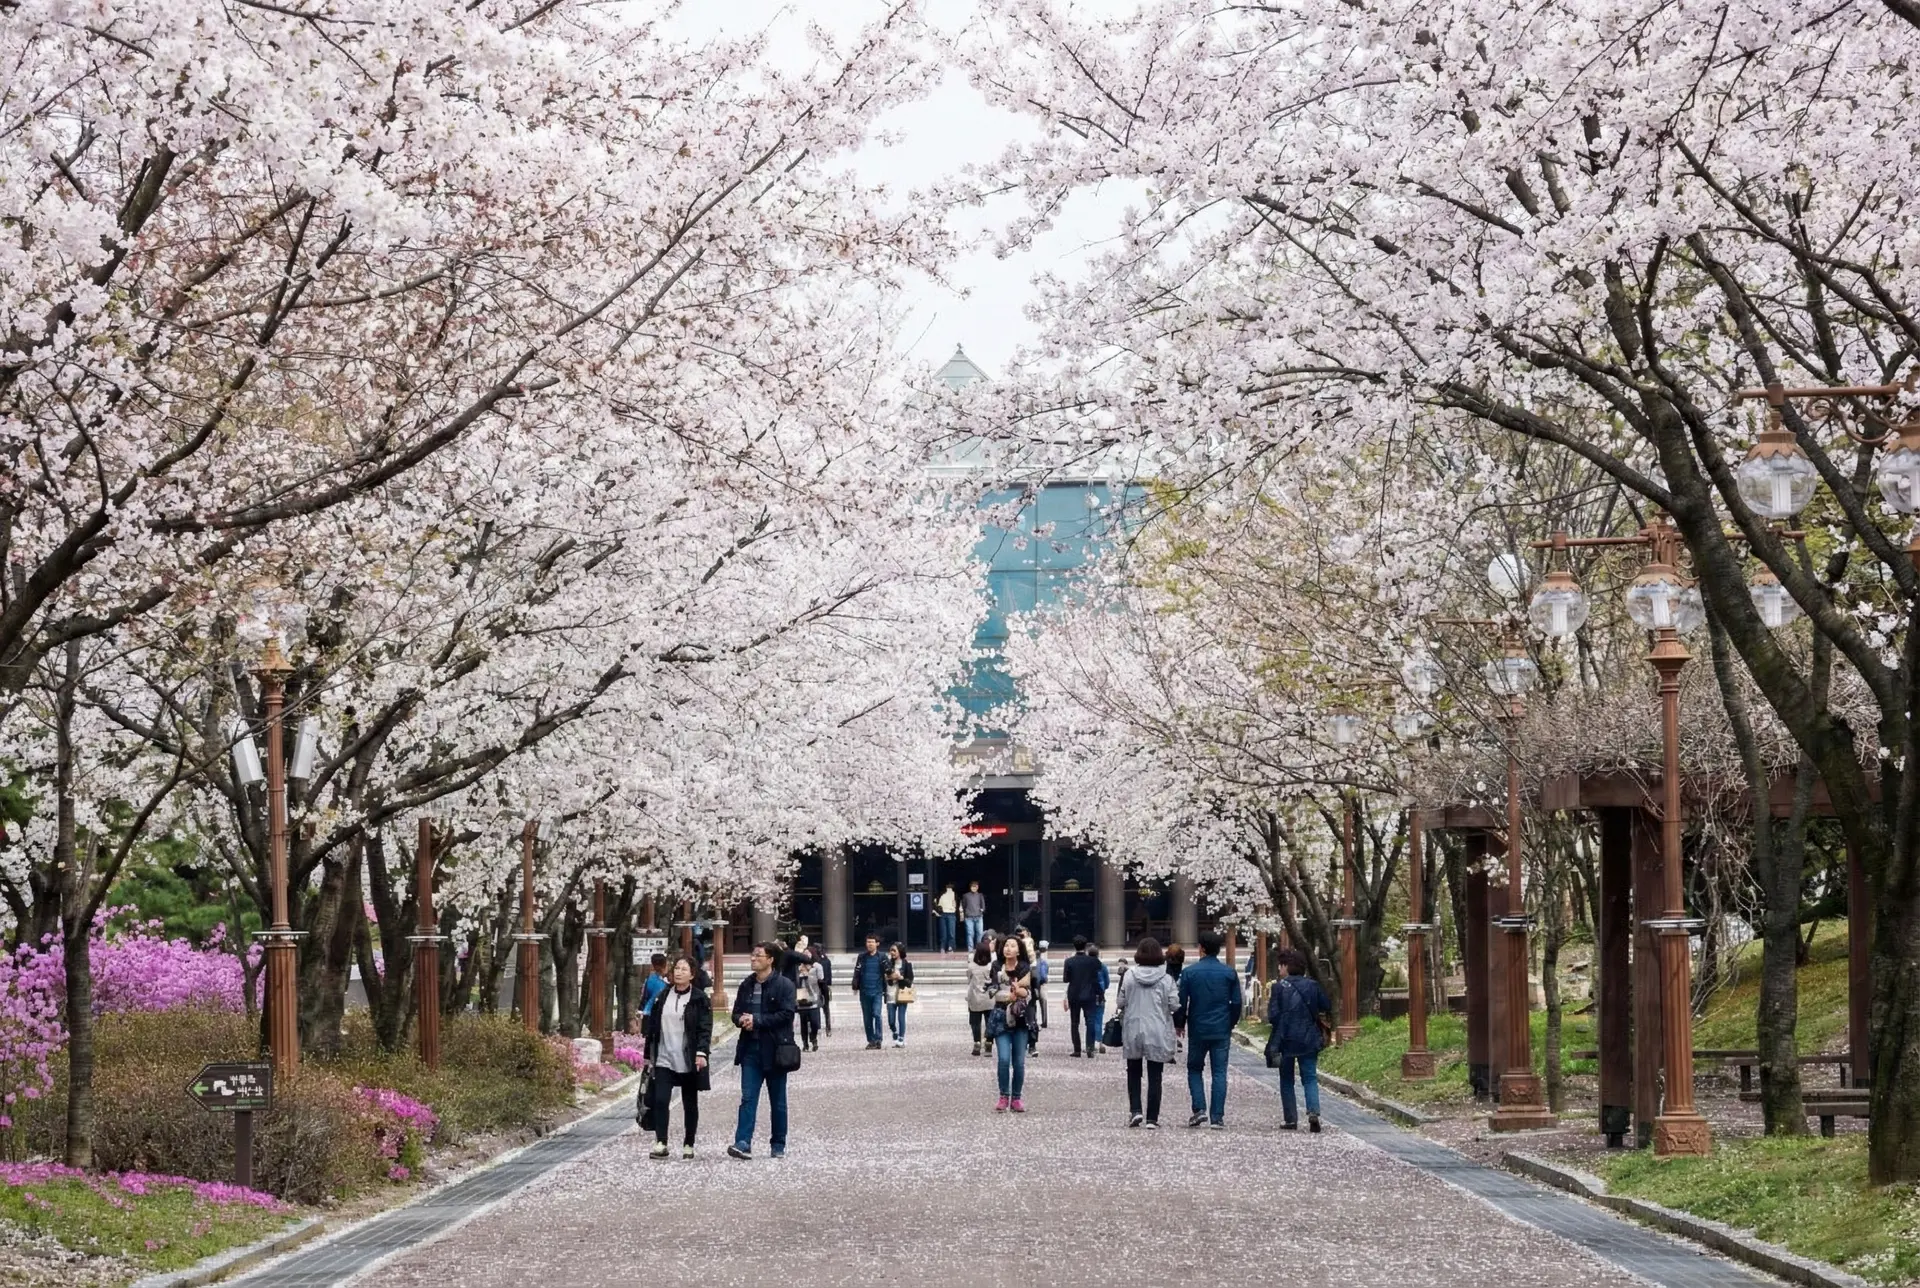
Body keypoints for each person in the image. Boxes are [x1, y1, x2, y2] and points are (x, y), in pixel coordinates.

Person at [728, 941, 798, 1161]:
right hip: (750, 1049)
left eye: (758, 955)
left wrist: (757, 1020)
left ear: (770, 959)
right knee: (748, 1098)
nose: (753, 959)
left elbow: (787, 1014)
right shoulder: (746, 985)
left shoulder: (784, 985)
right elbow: (735, 1013)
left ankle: (778, 1143)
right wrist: (742, 1020)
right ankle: (742, 1142)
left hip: (776, 1049)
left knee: (778, 1101)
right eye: (752, 955)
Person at [640, 956, 710, 1158]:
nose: (679, 972)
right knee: (661, 1100)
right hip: (664, 1057)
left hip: (688, 1058)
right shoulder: (662, 997)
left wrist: (701, 1052)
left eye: (684, 969)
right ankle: (661, 1142)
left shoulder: (699, 999)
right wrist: (647, 1056)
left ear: (692, 974)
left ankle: (689, 1143)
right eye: (676, 968)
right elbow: (652, 1028)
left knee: (690, 1102)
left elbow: (705, 1028)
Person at [1178, 930, 1243, 1129]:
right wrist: (1230, 1023)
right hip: (1221, 1027)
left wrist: (1180, 1023)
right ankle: (1217, 1117)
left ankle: (1199, 1109)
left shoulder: (1189, 973)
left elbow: (1182, 1002)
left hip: (1198, 1026)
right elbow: (1237, 1002)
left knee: (1195, 1068)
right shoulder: (1229, 973)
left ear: (1202, 949)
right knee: (1219, 1072)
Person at [1266, 948, 1336, 1133]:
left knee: (1286, 1079)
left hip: (1285, 1038)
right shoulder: (1312, 985)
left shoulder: (1278, 987)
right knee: (1310, 1077)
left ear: (1286, 966)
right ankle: (1313, 1111)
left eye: (1281, 965)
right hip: (1309, 1038)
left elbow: (1273, 1016)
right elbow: (1326, 1005)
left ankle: (1290, 1119)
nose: (1279, 969)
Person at [1117, 937, 1179, 1128]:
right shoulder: (1166, 979)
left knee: (1133, 1071)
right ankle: (1152, 1118)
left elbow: (1120, 1002)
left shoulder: (1129, 976)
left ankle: (1136, 1110)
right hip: (1158, 1029)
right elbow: (1174, 1004)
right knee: (1155, 1074)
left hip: (1134, 1027)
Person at [988, 933, 1036, 1112]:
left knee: (1019, 1062)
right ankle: (1003, 1096)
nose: (1009, 948)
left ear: (1019, 950)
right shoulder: (996, 966)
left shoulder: (1024, 967)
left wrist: (1019, 991)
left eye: (1013, 946)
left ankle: (1016, 1097)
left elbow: (1029, 993)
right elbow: (992, 990)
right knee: (1003, 1059)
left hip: (1021, 1018)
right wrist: (1009, 993)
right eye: (1006, 945)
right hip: (1001, 1017)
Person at [1063, 937, 1102, 1057]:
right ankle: (1090, 1048)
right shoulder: (1093, 961)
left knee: (1074, 1022)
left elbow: (1066, 979)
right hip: (1089, 993)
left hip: (1074, 994)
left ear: (1074, 946)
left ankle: (1077, 1049)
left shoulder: (1069, 961)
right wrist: (1100, 993)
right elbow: (1096, 978)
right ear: (1085, 946)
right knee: (1090, 1021)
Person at [851, 933, 888, 1049]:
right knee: (867, 1017)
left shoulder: (882, 957)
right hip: (864, 990)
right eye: (868, 942)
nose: (869, 944)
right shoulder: (862, 957)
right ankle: (871, 1040)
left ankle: (878, 1039)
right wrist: (855, 985)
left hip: (877, 990)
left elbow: (887, 970)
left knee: (877, 1014)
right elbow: (857, 971)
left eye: (872, 942)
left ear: (877, 944)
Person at [965, 938, 996, 1056]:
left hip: (975, 997)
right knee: (989, 1022)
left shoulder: (972, 966)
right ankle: (988, 1043)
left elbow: (969, 979)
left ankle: (977, 1043)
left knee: (975, 1022)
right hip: (989, 997)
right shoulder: (991, 965)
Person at [885, 942, 914, 1047]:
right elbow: (884, 976)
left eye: (894, 950)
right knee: (891, 1020)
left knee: (901, 1017)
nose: (892, 953)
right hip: (890, 994)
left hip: (902, 993)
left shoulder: (906, 965)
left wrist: (900, 978)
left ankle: (901, 1039)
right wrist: (889, 977)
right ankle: (895, 1032)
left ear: (900, 952)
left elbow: (909, 981)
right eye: (891, 950)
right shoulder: (888, 963)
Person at [795, 949, 824, 1052]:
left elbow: (820, 980)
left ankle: (813, 1038)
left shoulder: (816, 968)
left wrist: (808, 974)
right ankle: (805, 1043)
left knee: (815, 1023)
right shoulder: (798, 969)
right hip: (802, 998)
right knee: (803, 1023)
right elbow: (796, 983)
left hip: (814, 999)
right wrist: (801, 974)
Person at [1029, 939, 1049, 1053]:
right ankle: (1043, 1020)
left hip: (1038, 984)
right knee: (1043, 1002)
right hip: (1041, 984)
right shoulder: (1041, 962)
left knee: (1039, 1003)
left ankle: (1041, 1020)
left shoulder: (1037, 964)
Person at [1091, 946, 1111, 1054]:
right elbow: (1107, 982)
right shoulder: (1102, 966)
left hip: (1088, 996)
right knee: (1098, 1019)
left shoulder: (1086, 966)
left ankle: (1090, 1042)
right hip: (1100, 995)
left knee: (1089, 1020)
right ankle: (1098, 1041)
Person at [639, 952, 670, 1019]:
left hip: (647, 1011)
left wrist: (640, 1010)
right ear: (664, 966)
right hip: (657, 1013)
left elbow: (644, 997)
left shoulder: (649, 979)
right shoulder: (664, 984)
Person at [961, 881, 987, 951]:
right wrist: (966, 913)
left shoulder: (980, 895)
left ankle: (978, 948)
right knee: (970, 933)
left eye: (975, 887)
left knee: (980, 933)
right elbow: (963, 906)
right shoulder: (966, 895)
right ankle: (970, 949)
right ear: (970, 887)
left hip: (979, 916)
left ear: (977, 887)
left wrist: (982, 910)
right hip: (969, 917)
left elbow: (983, 905)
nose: (974, 888)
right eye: (972, 887)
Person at [815, 947, 834, 1036]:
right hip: (824, 985)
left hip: (817, 985)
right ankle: (828, 1027)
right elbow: (829, 974)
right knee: (826, 1008)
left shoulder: (815, 962)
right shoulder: (827, 960)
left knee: (816, 1007)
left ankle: (818, 1025)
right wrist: (829, 984)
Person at [936, 884, 959, 953]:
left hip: (951, 913)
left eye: (950, 888)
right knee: (944, 932)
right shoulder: (941, 894)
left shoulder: (955, 895)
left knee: (951, 932)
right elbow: (938, 904)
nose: (949, 889)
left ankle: (950, 947)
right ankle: (943, 947)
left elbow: (957, 905)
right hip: (943, 914)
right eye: (947, 887)